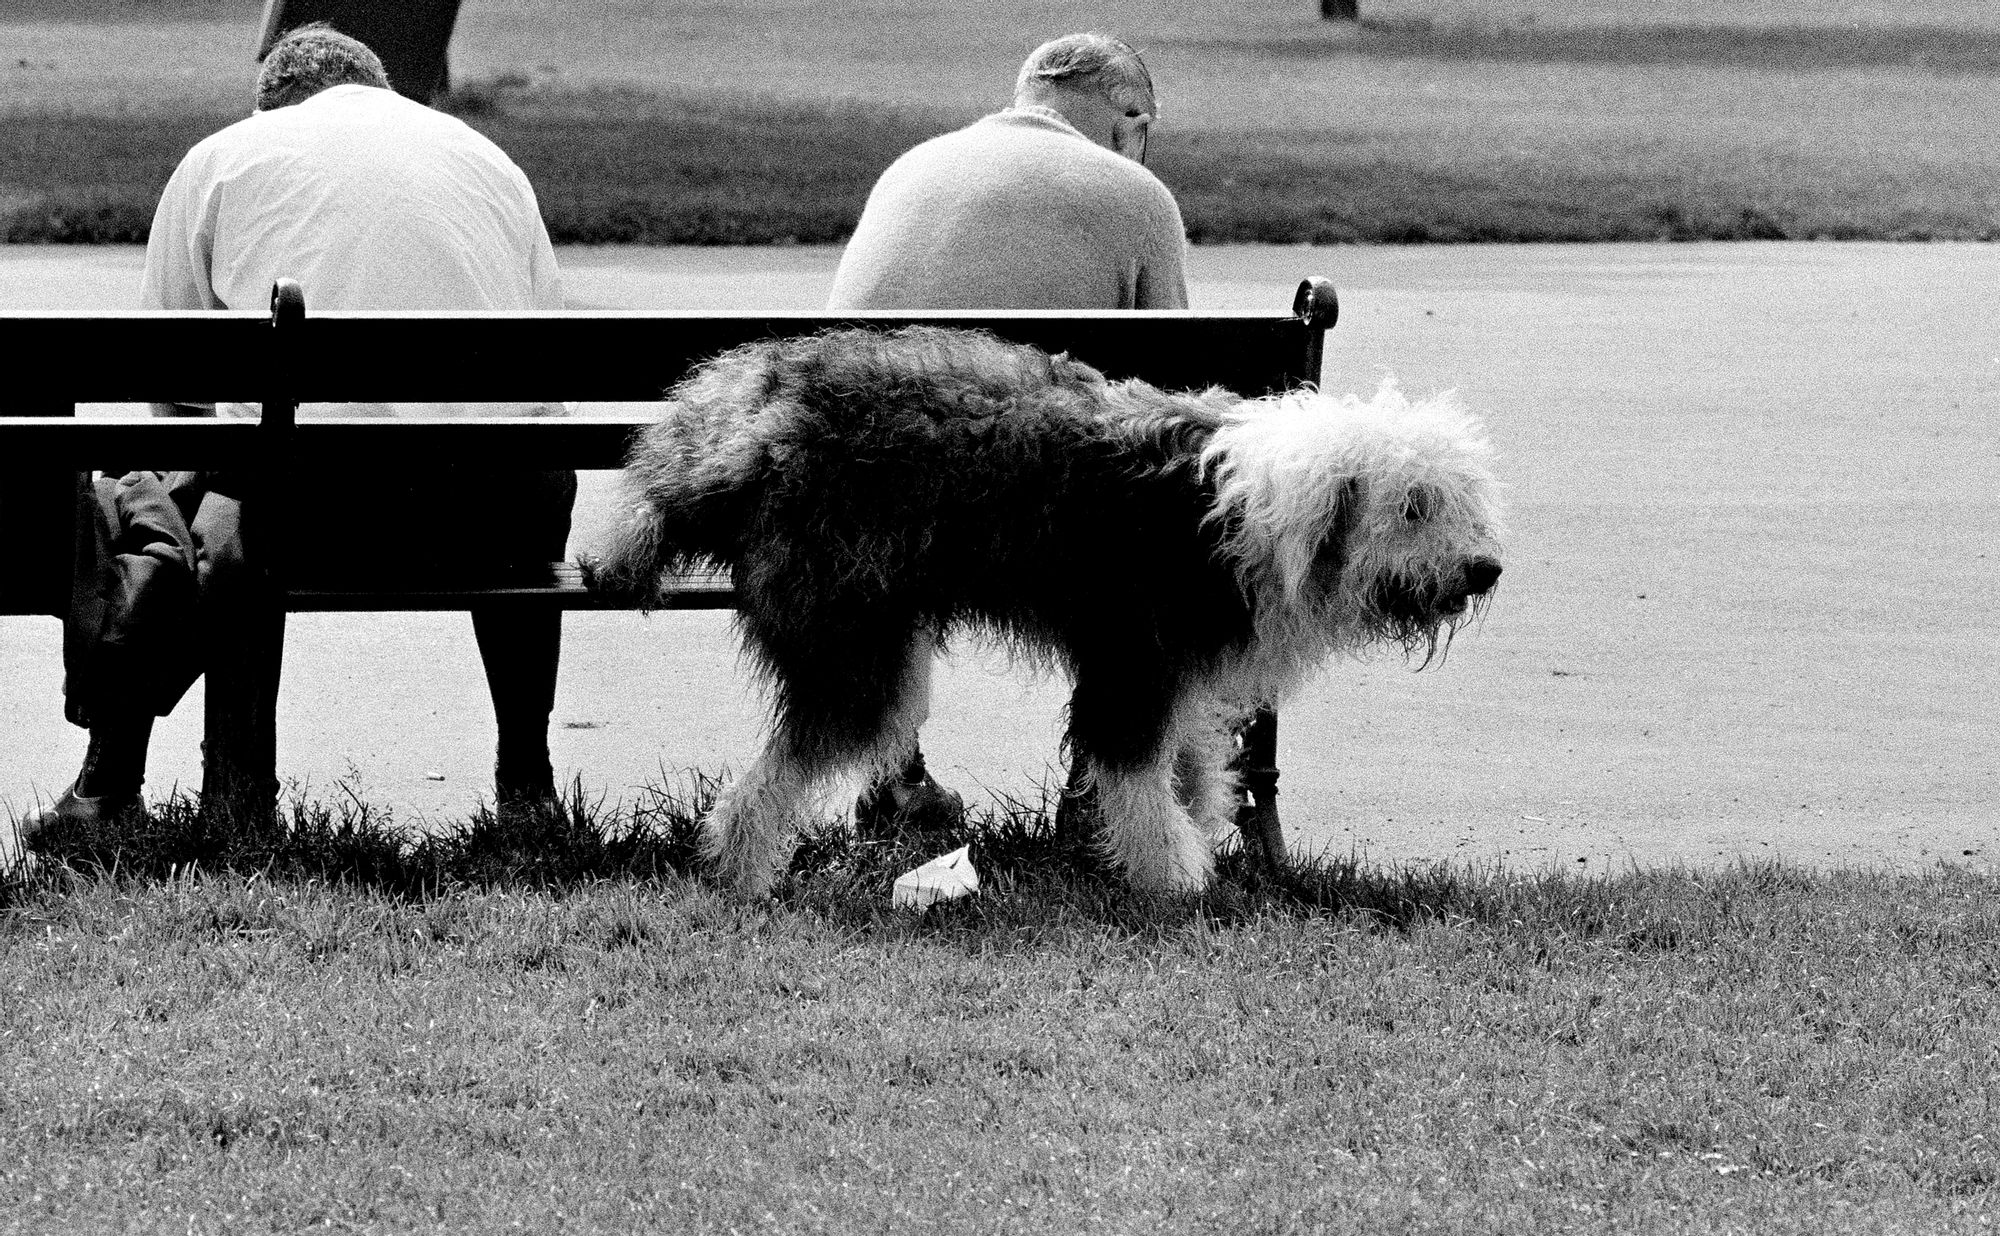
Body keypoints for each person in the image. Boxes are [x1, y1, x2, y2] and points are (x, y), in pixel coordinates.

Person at [23, 24, 572, 842]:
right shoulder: (490, 163)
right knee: (531, 469)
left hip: (299, 519)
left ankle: (139, 790)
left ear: (273, 100)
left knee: (148, 502)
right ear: (380, 89)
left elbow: (168, 387)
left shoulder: (227, 156)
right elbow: (542, 386)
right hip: (489, 520)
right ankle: (526, 784)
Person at [827, 32, 1191, 830]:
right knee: (1156, 504)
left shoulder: (912, 168)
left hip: (863, 500)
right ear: (1131, 121)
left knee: (911, 452)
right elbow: (1170, 391)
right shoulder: (1133, 193)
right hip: (1027, 520)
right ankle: (1104, 786)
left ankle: (894, 775)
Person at [828, 31, 1187, 312]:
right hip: (1007, 399)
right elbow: (1172, 367)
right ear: (1133, 130)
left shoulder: (906, 168)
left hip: (850, 395)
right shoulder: (1140, 195)